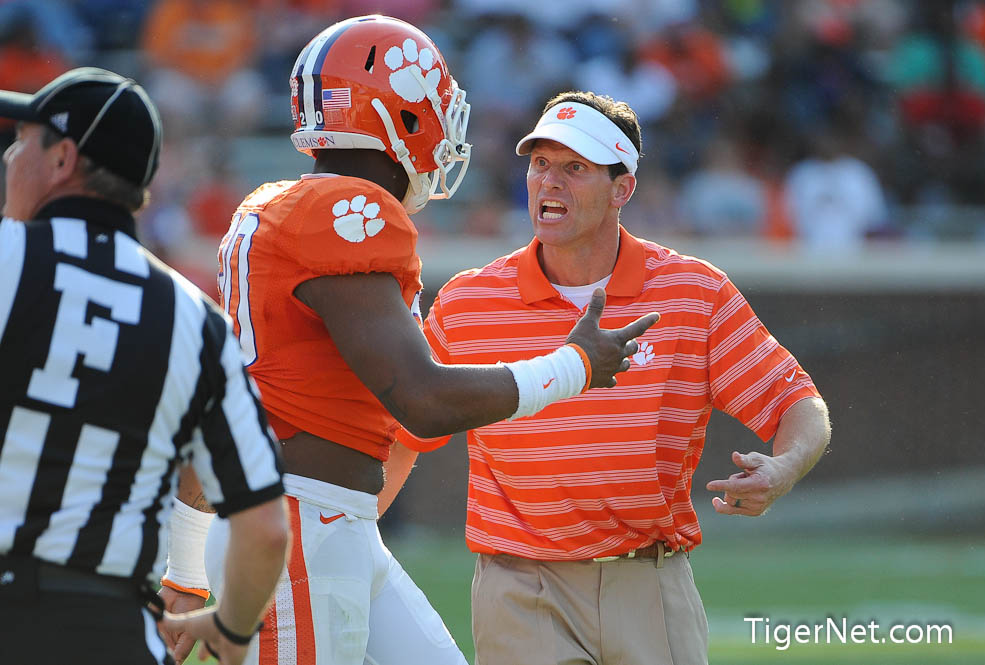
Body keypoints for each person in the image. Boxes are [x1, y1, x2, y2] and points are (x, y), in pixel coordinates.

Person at [159, 15, 658, 665]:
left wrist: (184, 568)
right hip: (300, 528)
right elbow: (422, 398)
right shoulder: (345, 215)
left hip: (324, 522)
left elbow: (222, 405)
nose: (447, 130)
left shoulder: (274, 208)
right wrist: (575, 366)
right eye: (436, 108)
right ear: (403, 117)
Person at [396, 91, 833, 665]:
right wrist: (343, 535)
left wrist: (782, 468)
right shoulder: (467, 301)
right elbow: (403, 433)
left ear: (622, 188)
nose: (549, 182)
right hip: (521, 589)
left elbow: (799, 405)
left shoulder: (693, 293)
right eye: (540, 164)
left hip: (650, 580)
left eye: (575, 168)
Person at [0, 67, 289, 665]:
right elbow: (265, 529)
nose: (9, 157)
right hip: (113, 631)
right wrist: (233, 632)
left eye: (22, 141)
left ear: (62, 160)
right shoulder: (197, 322)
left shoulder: (8, 262)